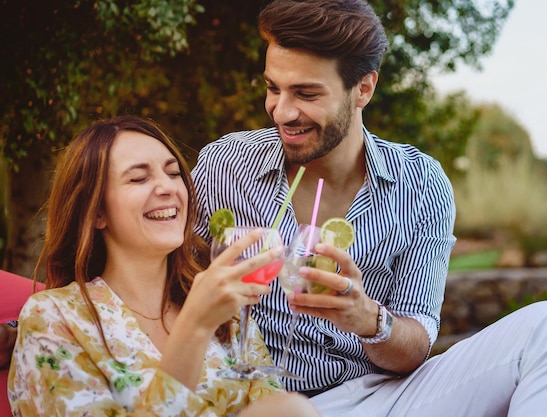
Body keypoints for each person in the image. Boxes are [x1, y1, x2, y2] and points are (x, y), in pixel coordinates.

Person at [190, 0, 547, 415]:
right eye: (273, 88)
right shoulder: (225, 166)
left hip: (376, 399)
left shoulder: (420, 185)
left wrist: (367, 319)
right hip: (252, 399)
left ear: (363, 88)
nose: (282, 111)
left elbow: (414, 347)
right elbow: (164, 287)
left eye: (306, 93)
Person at [8, 116, 321, 417]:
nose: (168, 187)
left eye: (173, 174)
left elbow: (273, 404)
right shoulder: (54, 316)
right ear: (97, 213)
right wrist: (194, 327)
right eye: (138, 178)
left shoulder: (225, 310)